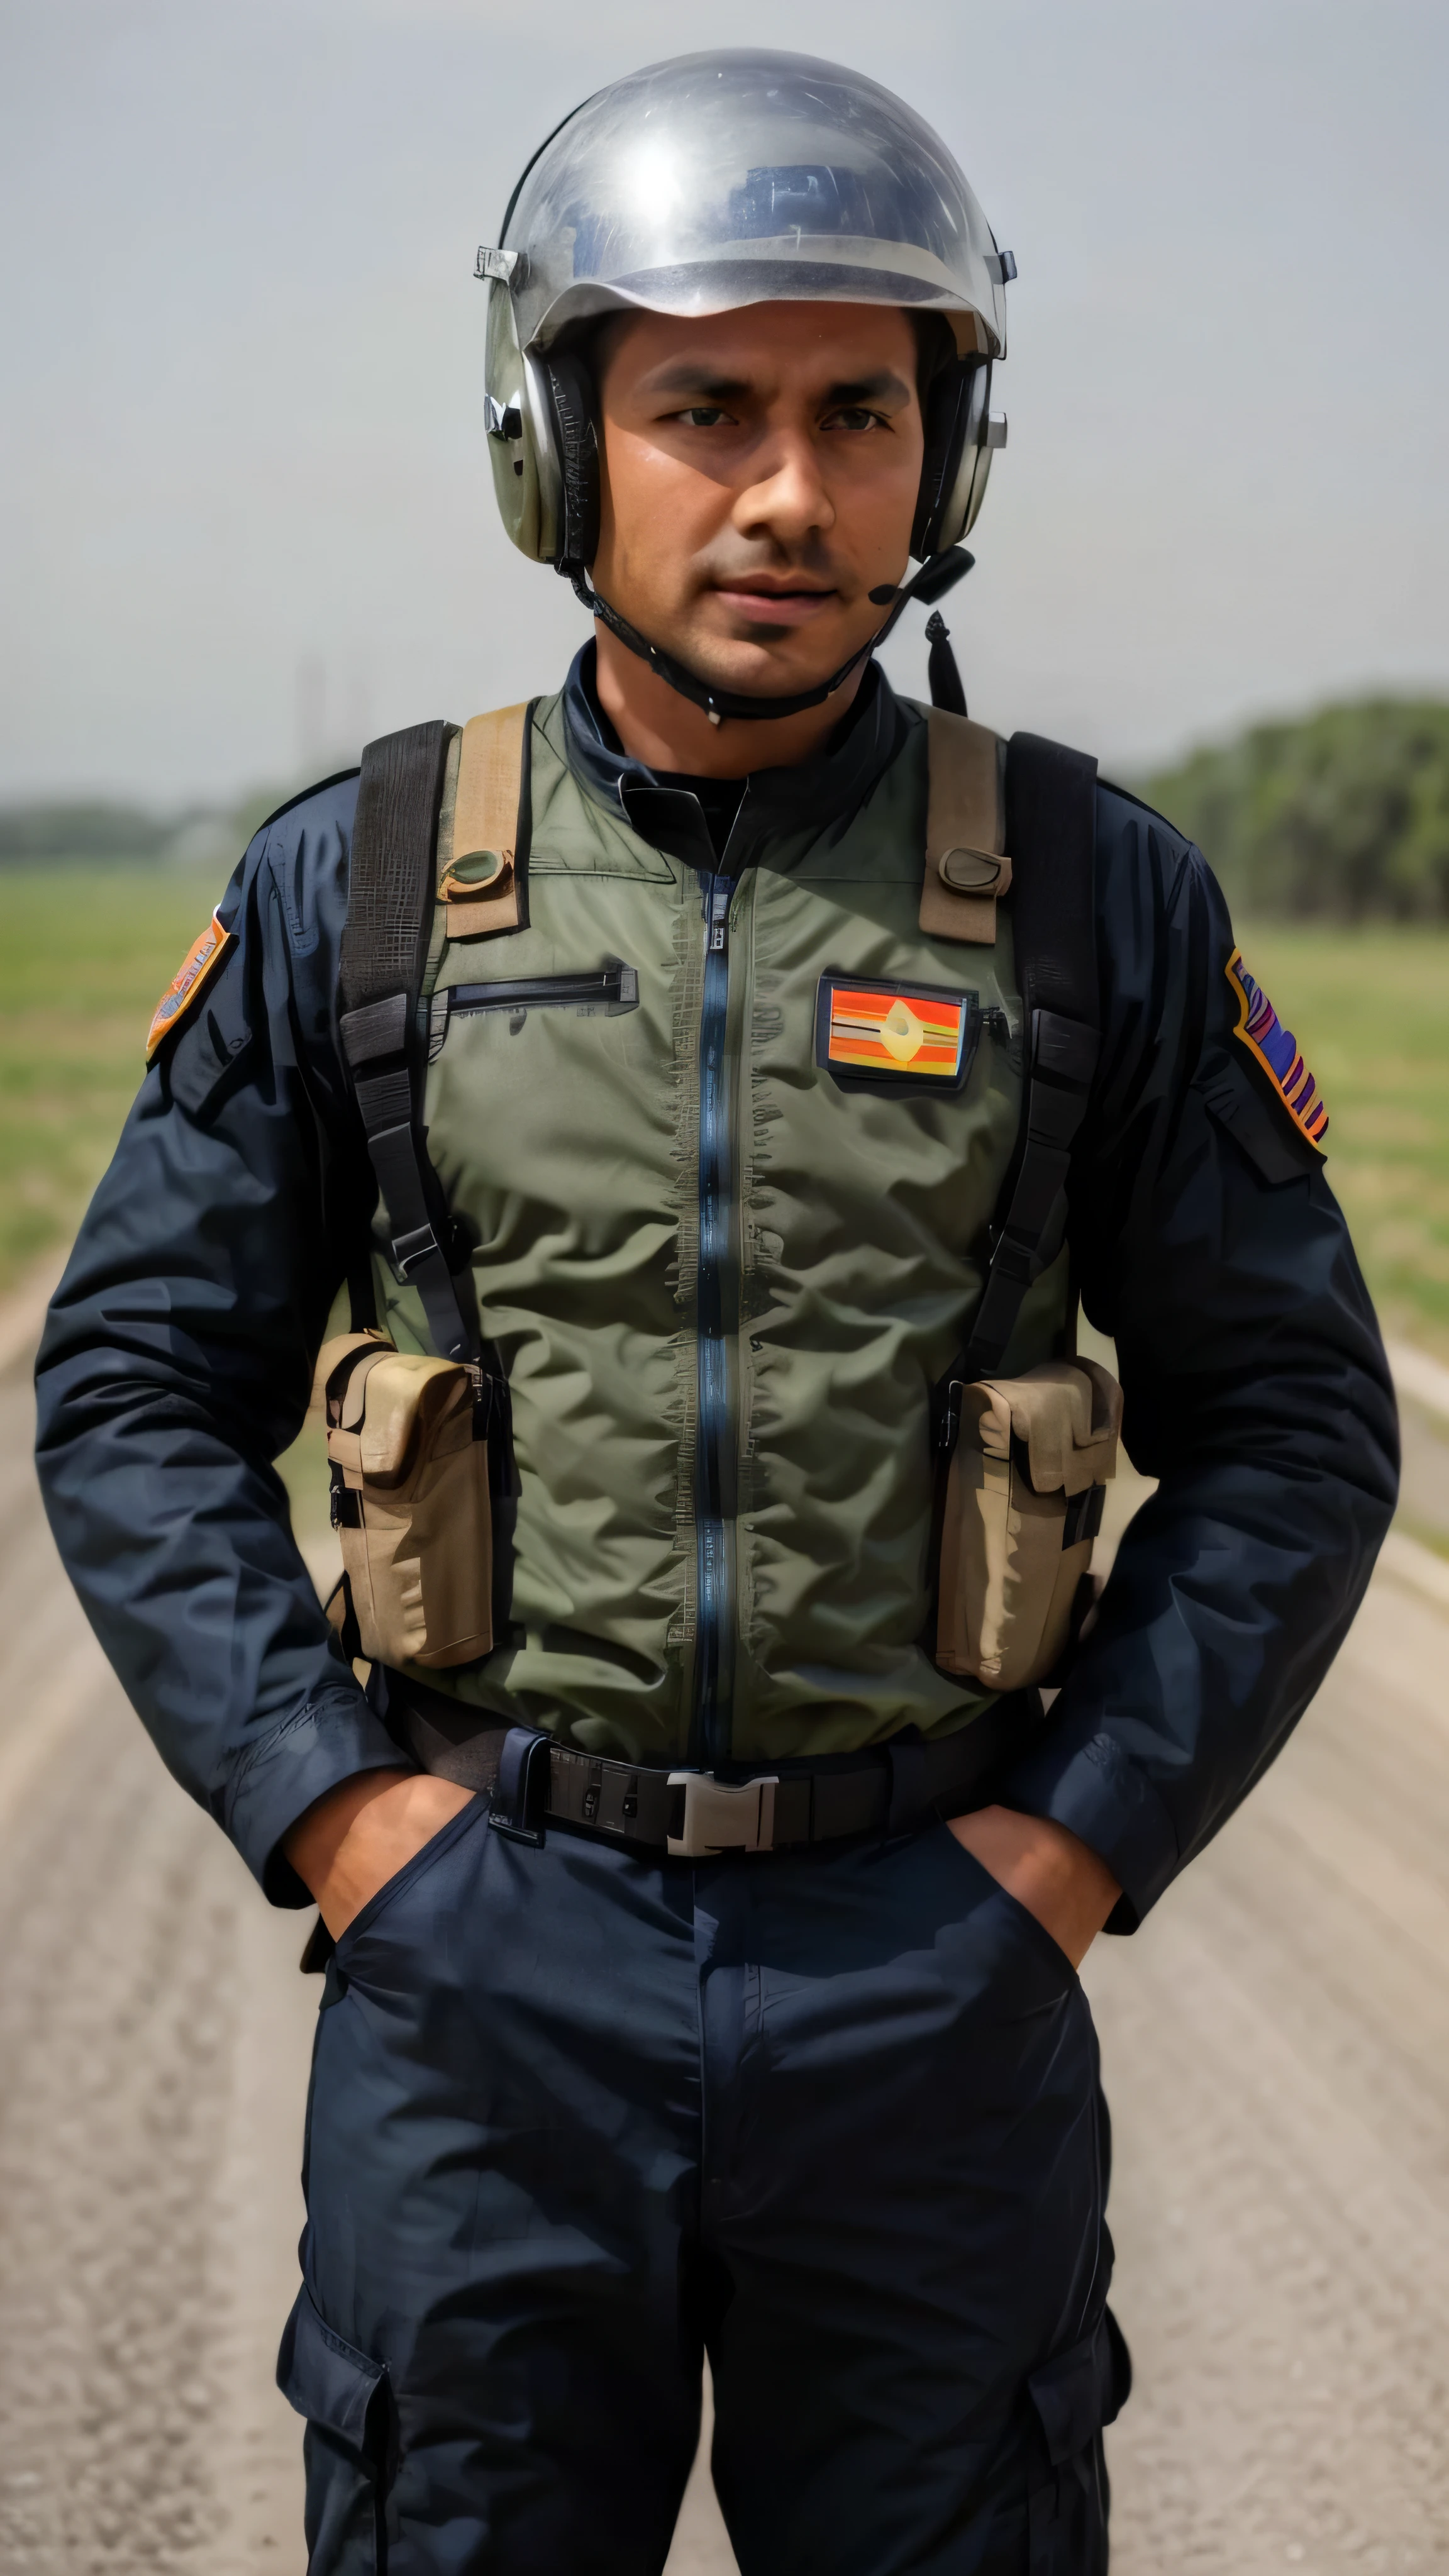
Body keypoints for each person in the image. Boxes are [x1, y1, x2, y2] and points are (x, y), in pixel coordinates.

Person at [35, 48, 1397, 2576]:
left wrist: (1072, 1853)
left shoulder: (1101, 899)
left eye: (858, 412)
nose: (788, 490)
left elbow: (1300, 1422)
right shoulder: (361, 887)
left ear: (944, 460)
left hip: (933, 1983)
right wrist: (353, 1826)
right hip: (482, 1984)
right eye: (705, 407)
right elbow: (127, 1384)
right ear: (556, 447)